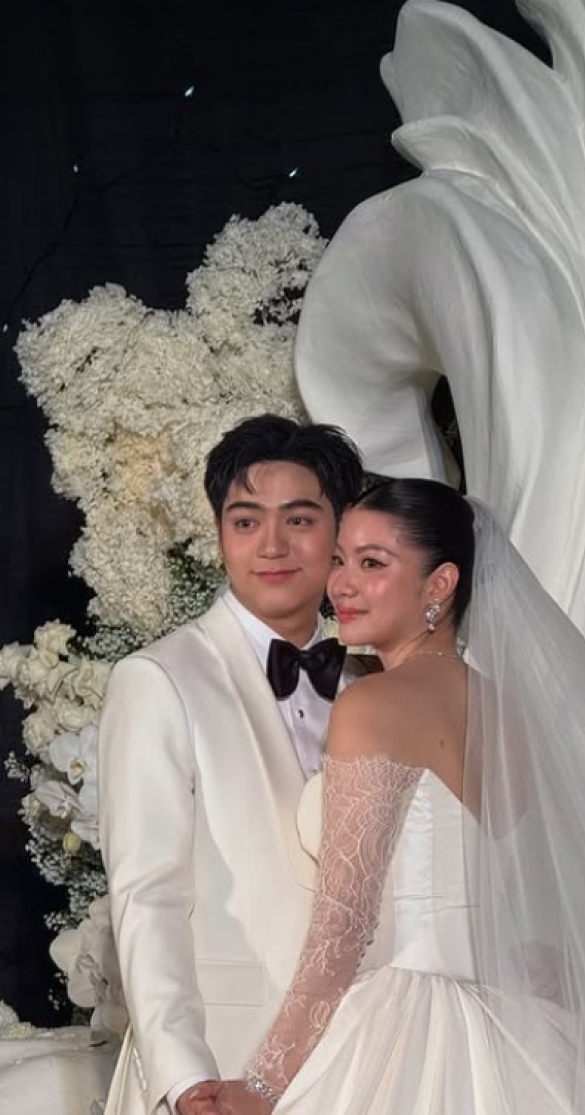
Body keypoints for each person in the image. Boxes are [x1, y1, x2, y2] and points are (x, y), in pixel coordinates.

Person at [214, 476, 585, 1115]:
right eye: (339, 560)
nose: (341, 585)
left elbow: (345, 922)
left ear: (439, 584)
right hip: (516, 1027)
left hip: (403, 1028)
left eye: (372, 563)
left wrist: (264, 1084)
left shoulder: (373, 705)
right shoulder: (508, 713)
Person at [98, 415, 365, 1115]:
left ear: (340, 530)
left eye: (299, 520)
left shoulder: (374, 684)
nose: (271, 545)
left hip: (363, 1052)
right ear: (220, 533)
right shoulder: (158, 678)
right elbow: (147, 893)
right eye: (246, 522)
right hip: (221, 1058)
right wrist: (184, 1074)